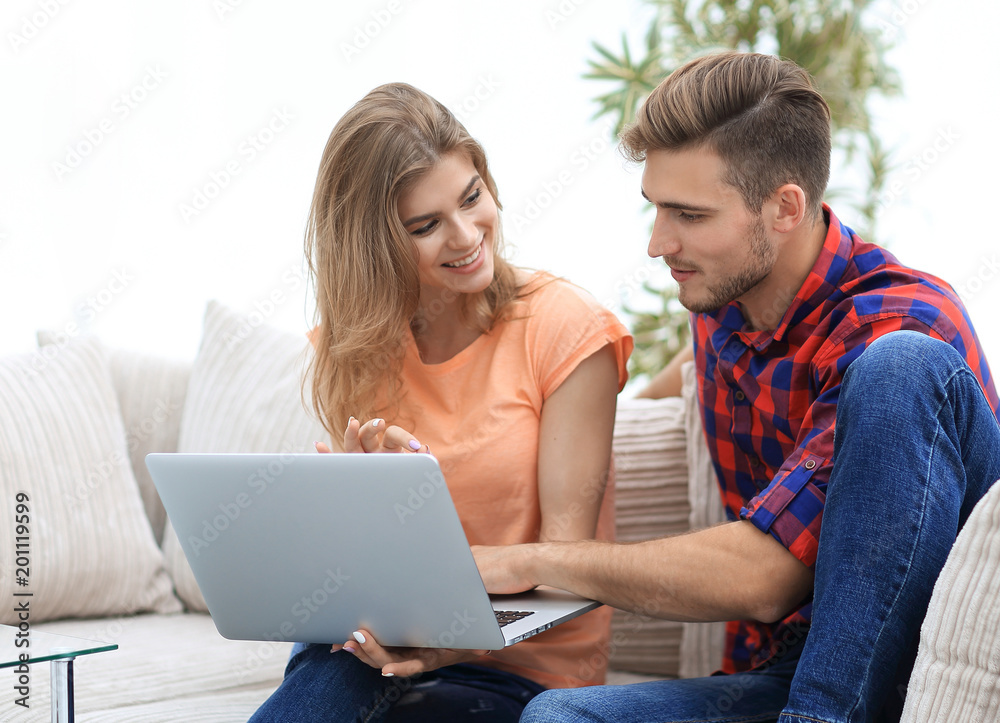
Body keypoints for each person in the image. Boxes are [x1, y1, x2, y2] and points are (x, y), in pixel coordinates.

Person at [472, 51, 1000, 723]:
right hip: (791, 669)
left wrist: (539, 560)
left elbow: (764, 578)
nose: (659, 243)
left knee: (902, 365)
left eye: (689, 215)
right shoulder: (722, 304)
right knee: (557, 718)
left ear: (784, 208)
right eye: (656, 209)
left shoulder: (901, 319)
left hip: (921, 658)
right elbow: (676, 385)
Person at [248, 82, 633, 722]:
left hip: (519, 669)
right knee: (333, 667)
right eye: (426, 226)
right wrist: (353, 508)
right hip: (375, 646)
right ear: (374, 245)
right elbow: (364, 573)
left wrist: (444, 645)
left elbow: (571, 571)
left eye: (472, 198)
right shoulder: (357, 347)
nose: (465, 236)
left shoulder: (565, 327)